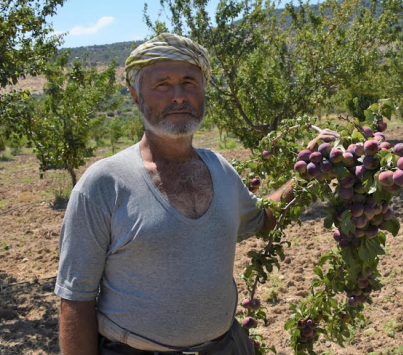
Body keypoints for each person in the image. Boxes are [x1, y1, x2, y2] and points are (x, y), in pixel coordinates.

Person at [55, 33, 335, 355]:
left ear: (203, 91)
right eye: (162, 84)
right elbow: (75, 299)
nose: (179, 96)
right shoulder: (104, 184)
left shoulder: (220, 168)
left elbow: (262, 219)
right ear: (135, 95)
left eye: (190, 82)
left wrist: (307, 170)